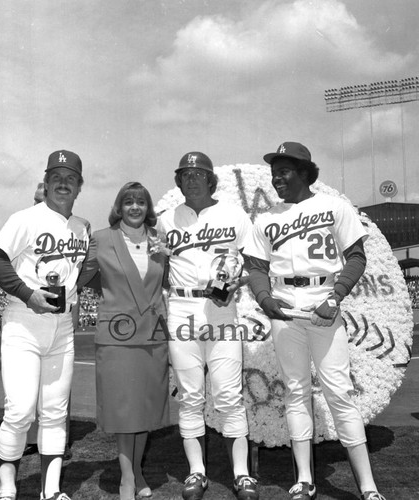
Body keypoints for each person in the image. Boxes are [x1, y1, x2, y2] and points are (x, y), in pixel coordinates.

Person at [244, 141, 386, 500]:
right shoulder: (266, 218)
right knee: (295, 392)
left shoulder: (334, 207)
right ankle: (305, 479)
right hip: (285, 307)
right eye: (274, 173)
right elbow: (257, 268)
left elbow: (355, 257)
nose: (277, 178)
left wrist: (335, 297)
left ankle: (367, 487)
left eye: (284, 171)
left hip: (324, 300)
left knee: (339, 392)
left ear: (305, 173)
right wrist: (264, 299)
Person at [0, 150, 90, 500]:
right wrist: (27, 294)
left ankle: (51, 490)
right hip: (24, 321)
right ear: (45, 183)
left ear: (79, 187)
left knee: (55, 412)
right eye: (56, 177)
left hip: (61, 327)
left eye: (70, 178)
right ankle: (7, 484)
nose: (63, 183)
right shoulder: (25, 218)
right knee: (20, 410)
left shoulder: (81, 228)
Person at [156, 152, 259, 500]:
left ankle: (242, 474)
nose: (192, 179)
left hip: (221, 307)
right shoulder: (166, 220)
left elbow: (255, 262)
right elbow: (155, 266)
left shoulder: (233, 214)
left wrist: (237, 281)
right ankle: (196, 472)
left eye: (198, 174)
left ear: (211, 180)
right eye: (185, 174)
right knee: (190, 396)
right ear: (179, 180)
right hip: (182, 307)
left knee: (229, 395)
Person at [79, 181, 169, 500]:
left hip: (153, 336)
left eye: (140, 202)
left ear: (148, 207)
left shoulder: (161, 241)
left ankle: (138, 470)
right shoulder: (101, 239)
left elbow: (169, 279)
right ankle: (127, 478)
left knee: (143, 409)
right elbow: (82, 276)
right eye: (128, 201)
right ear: (119, 206)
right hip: (116, 337)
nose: (134, 207)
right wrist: (114, 297)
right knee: (123, 409)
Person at [25, 182, 73, 461]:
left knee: (57, 386)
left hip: (61, 312)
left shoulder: (68, 229)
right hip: (29, 315)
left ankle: (58, 441)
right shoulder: (27, 225)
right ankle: (33, 439)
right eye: (35, 199)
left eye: (41, 198)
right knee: (28, 386)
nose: (38, 203)